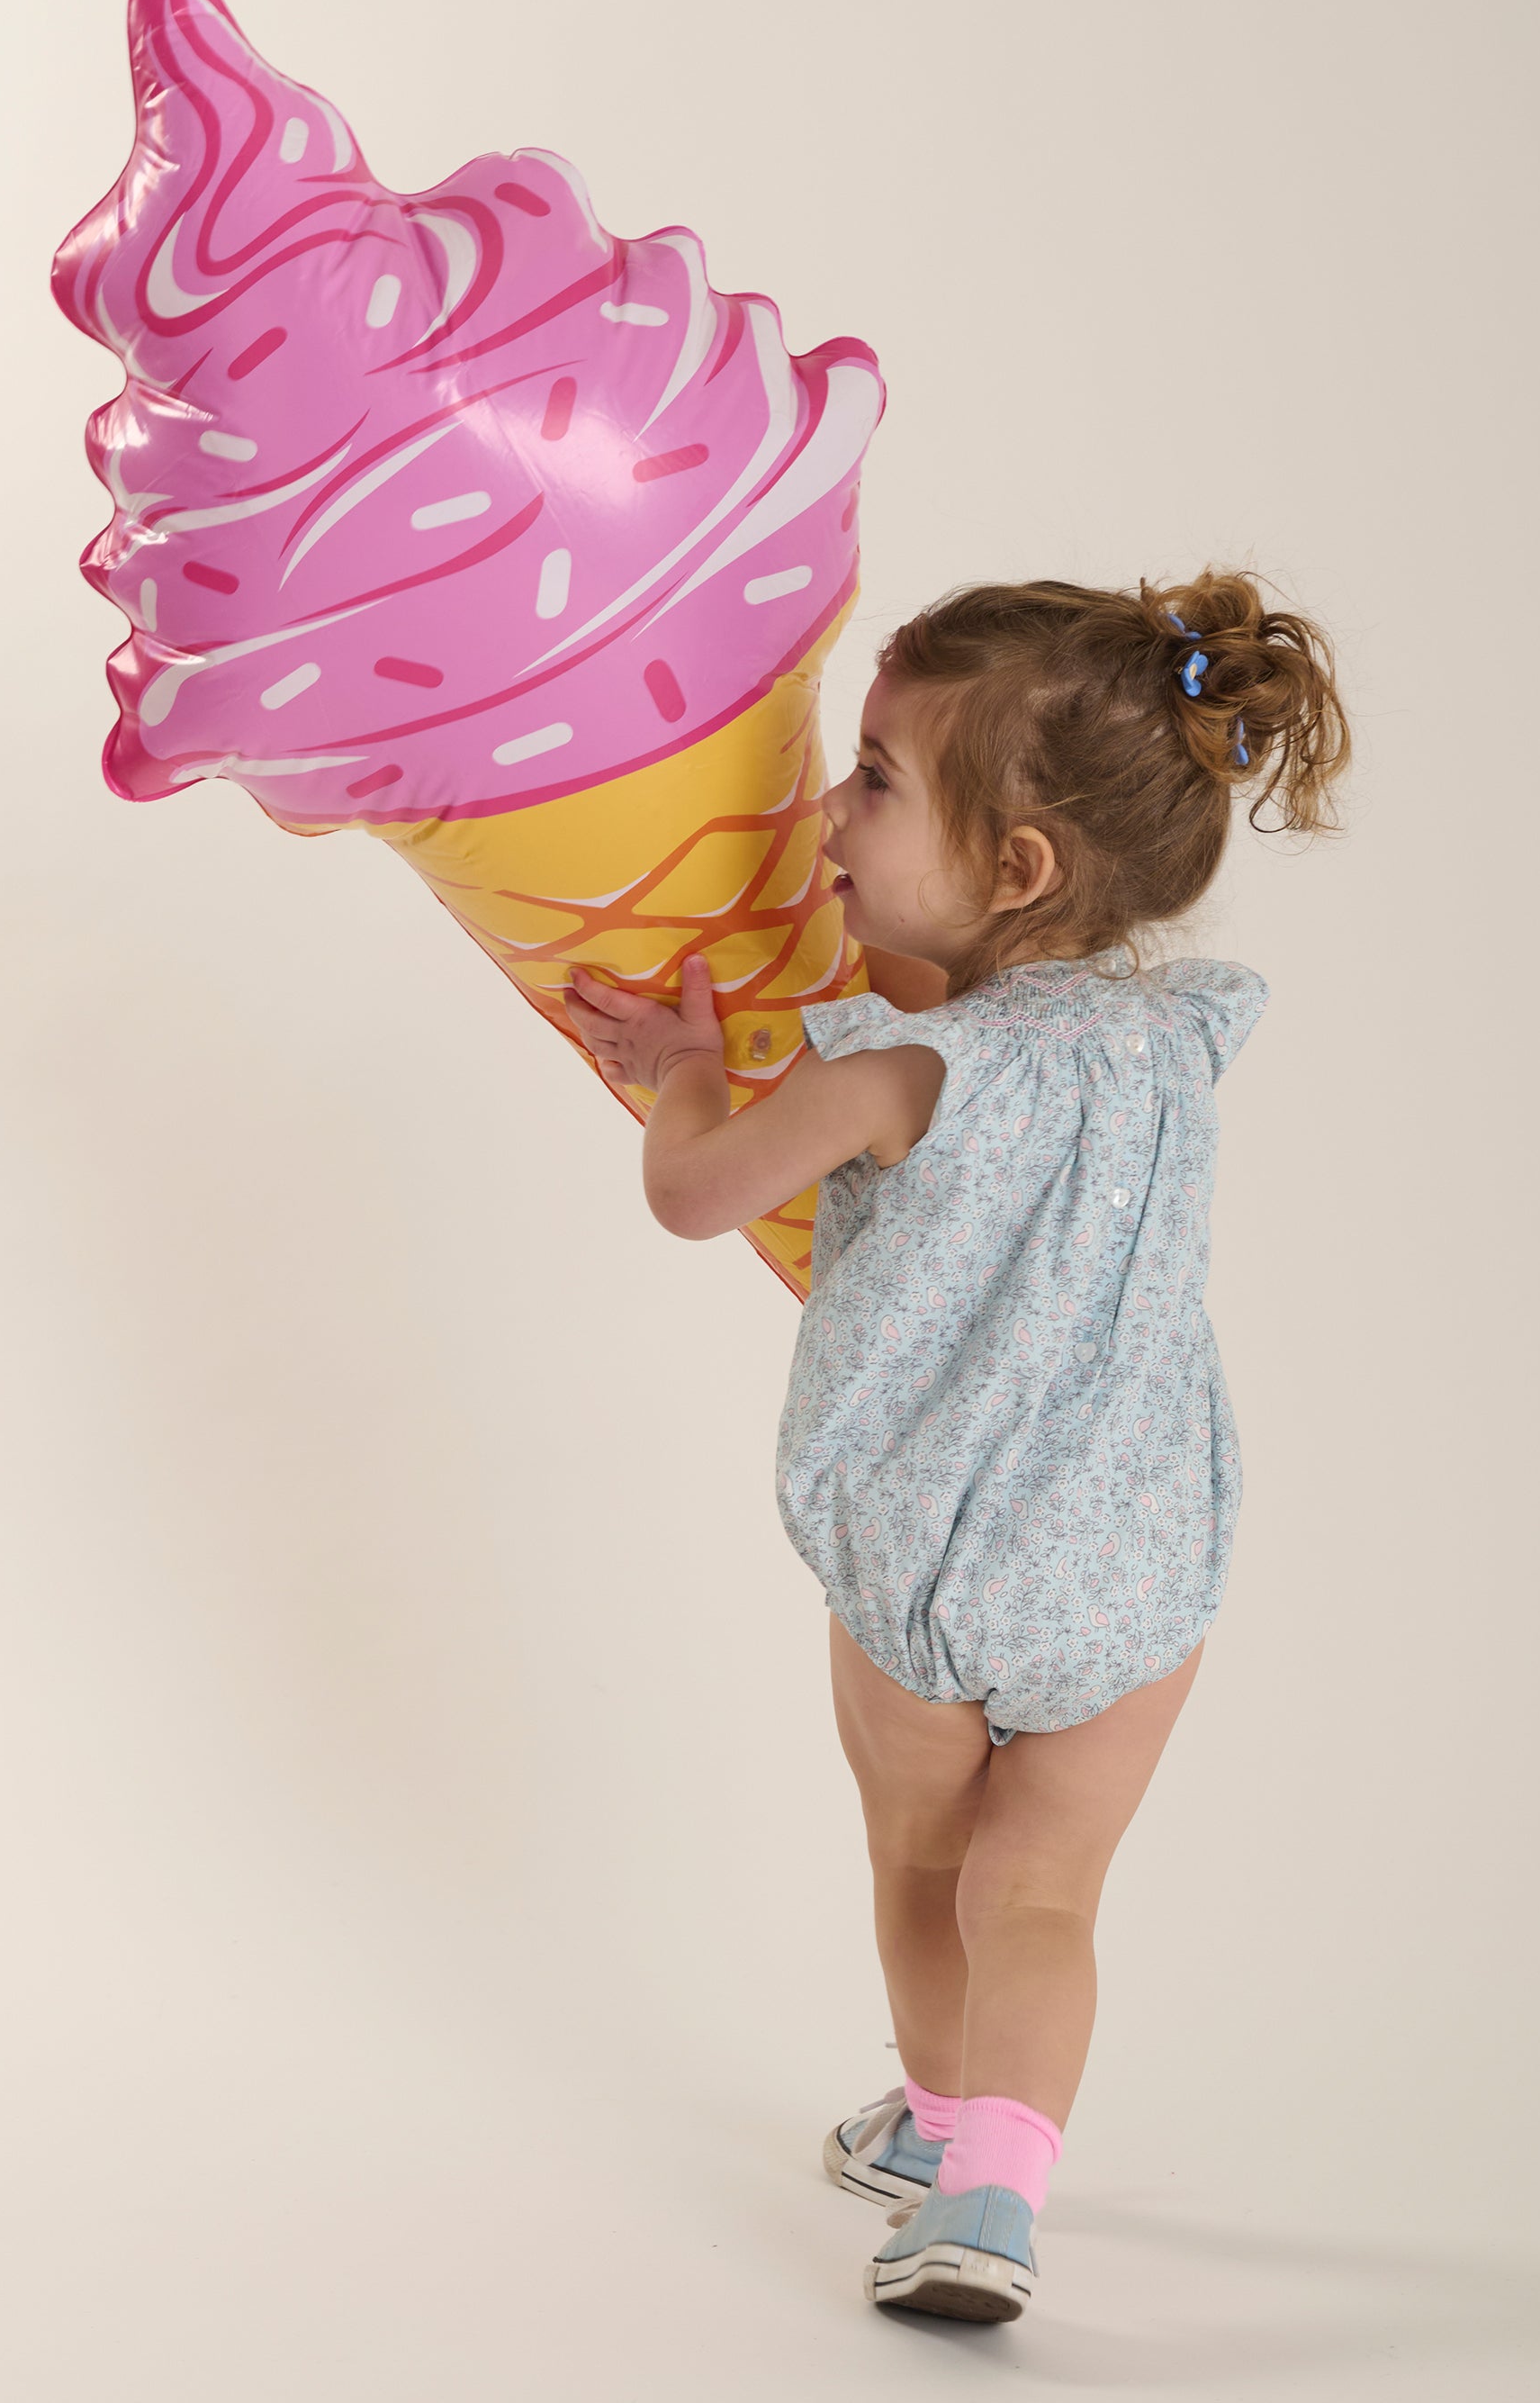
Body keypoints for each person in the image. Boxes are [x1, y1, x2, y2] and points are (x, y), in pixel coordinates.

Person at [563, 571, 1350, 2326]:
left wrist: (687, 1065)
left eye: (872, 779)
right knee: (1044, 1895)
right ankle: (996, 2202)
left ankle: (932, 2131)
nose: (828, 815)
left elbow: (697, 1196)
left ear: (1016, 868)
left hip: (934, 1557)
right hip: (1135, 1564)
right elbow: (1015, 1056)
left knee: (928, 1867)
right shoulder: (1176, 1038)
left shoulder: (897, 1075)